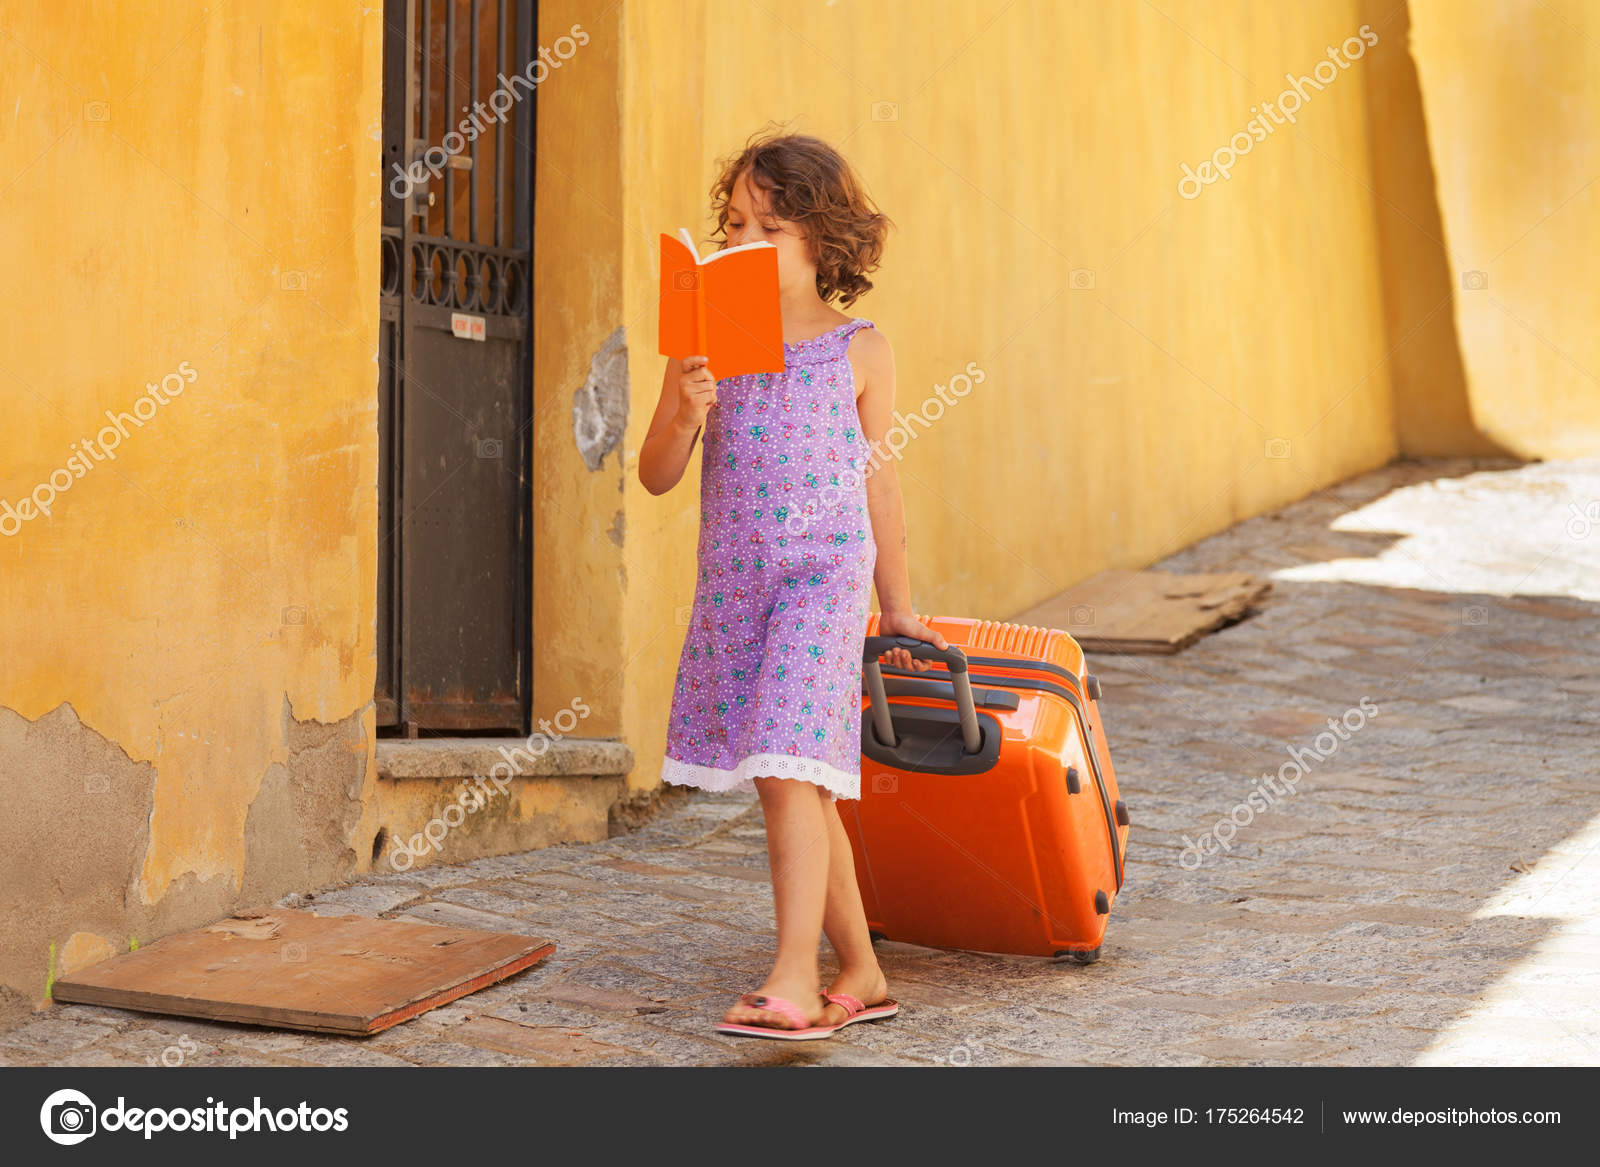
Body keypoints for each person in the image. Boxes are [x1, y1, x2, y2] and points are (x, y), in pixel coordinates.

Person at [638, 129, 947, 1040]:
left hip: (823, 580)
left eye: (766, 228)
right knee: (804, 781)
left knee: (782, 765)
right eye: (732, 225)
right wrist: (687, 413)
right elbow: (656, 473)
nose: (740, 242)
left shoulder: (861, 348)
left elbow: (879, 484)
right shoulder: (703, 345)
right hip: (740, 585)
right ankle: (863, 969)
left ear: (823, 236)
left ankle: (792, 979)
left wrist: (896, 606)